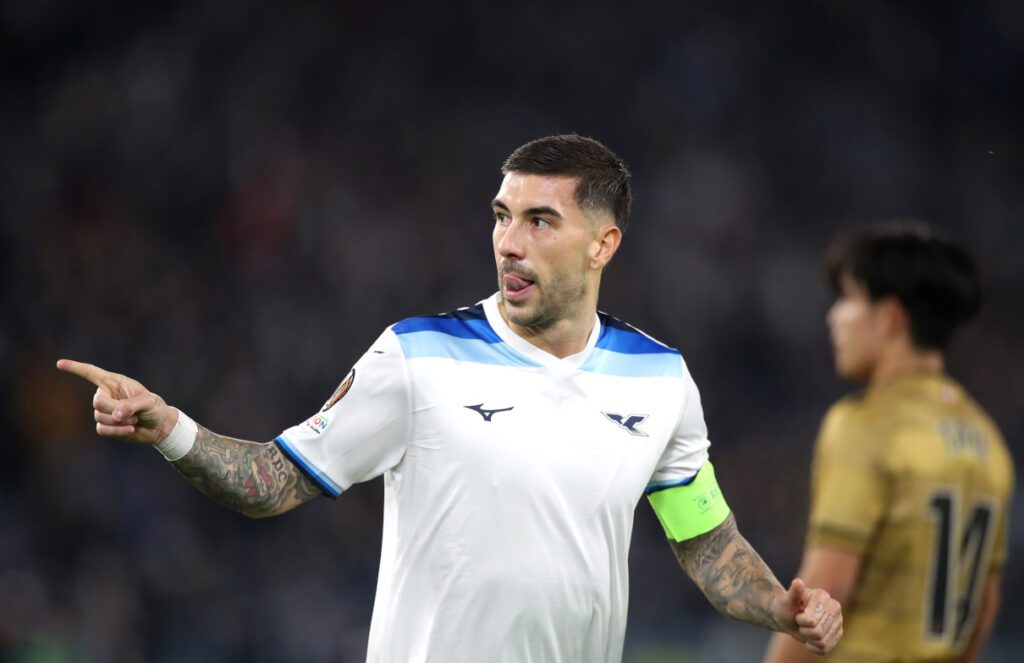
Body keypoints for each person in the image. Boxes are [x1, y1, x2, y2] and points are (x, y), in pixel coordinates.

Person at [59, 134, 842, 662]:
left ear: (604, 243)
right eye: (503, 217)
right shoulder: (417, 355)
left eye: (541, 220)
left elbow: (704, 540)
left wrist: (782, 606)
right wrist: (171, 428)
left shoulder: (660, 378)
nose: (509, 241)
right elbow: (274, 480)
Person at [764, 222, 1014, 663]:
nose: (834, 316)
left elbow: (827, 592)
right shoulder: (989, 443)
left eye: (849, 298)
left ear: (890, 317)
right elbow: (984, 603)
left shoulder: (865, 426)